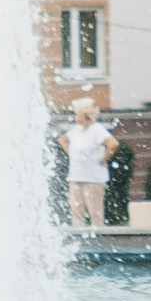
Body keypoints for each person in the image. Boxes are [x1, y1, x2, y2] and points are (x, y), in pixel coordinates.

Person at [63, 92, 117, 226]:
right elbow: (62, 140)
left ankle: (99, 241)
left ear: (86, 114)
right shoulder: (76, 130)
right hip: (75, 178)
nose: (76, 116)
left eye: (77, 113)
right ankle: (78, 241)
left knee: (95, 213)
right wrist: (70, 153)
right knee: (76, 213)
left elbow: (113, 144)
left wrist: (105, 159)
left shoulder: (97, 130)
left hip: (93, 179)